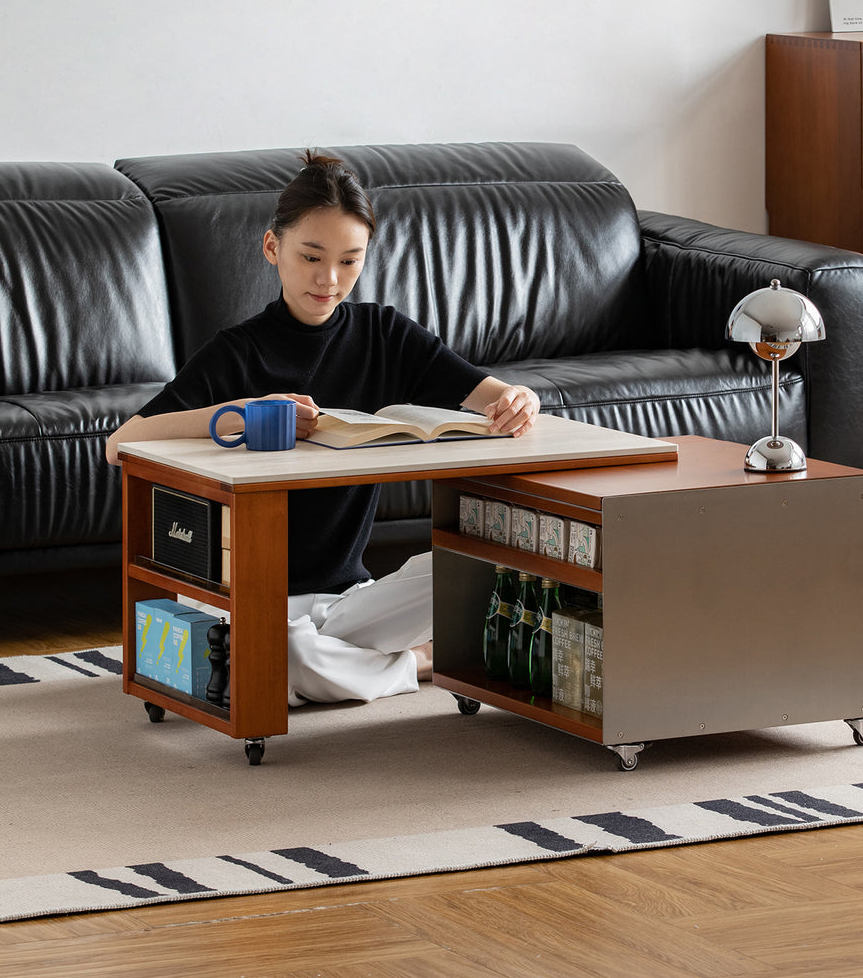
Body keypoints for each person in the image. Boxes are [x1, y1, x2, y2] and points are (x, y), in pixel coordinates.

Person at [106, 150, 539, 705]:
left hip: (350, 600)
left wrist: (518, 397)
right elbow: (121, 446)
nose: (329, 280)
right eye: (311, 257)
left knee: (474, 569)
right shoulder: (236, 353)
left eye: (349, 261)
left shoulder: (386, 334)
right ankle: (418, 662)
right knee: (283, 654)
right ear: (272, 248)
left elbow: (492, 394)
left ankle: (337, 665)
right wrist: (241, 409)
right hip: (261, 602)